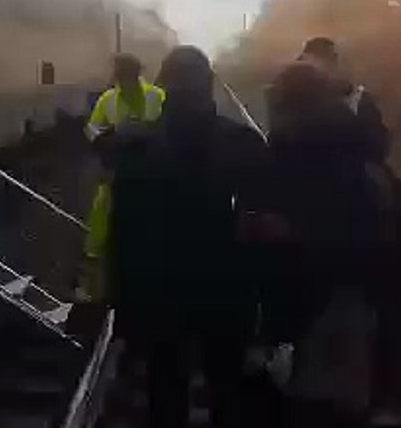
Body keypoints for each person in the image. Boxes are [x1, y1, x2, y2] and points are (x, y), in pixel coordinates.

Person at [108, 46, 269, 428]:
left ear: (163, 87)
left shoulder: (136, 149)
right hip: (229, 293)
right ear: (210, 86)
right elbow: (262, 232)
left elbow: (124, 234)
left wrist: (125, 310)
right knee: (228, 393)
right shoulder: (244, 143)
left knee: (165, 394)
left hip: (162, 294)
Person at [298, 37, 401, 423]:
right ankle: (365, 396)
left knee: (355, 314)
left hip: (342, 228)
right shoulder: (334, 104)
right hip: (349, 225)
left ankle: (364, 394)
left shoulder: (348, 102)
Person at [267, 59, 382, 424]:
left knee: (312, 385)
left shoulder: (293, 144)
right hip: (357, 276)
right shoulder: (354, 137)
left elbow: (297, 211)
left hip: (312, 279)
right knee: (350, 384)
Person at [80, 53, 166, 302]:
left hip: (150, 177)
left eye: (126, 76)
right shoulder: (108, 99)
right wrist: (106, 139)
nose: (122, 81)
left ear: (136, 74)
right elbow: (91, 129)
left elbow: (168, 129)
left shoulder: (156, 96)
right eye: (120, 76)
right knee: (101, 221)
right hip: (117, 174)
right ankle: (98, 284)